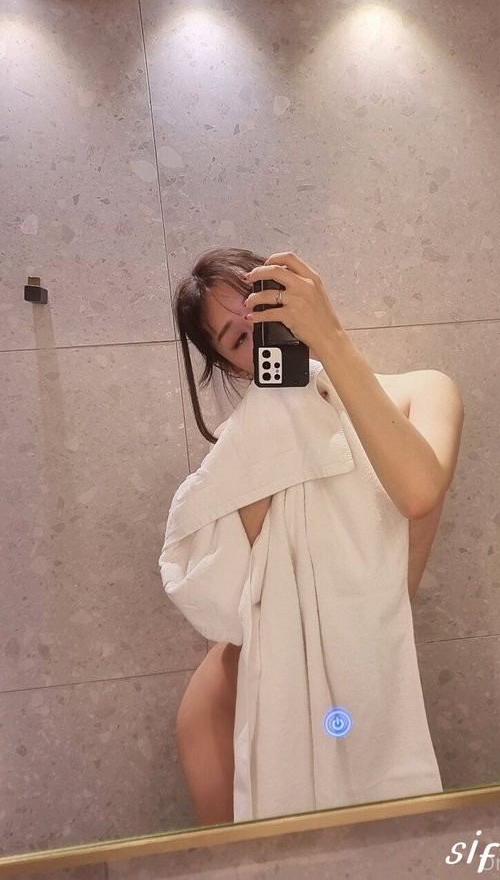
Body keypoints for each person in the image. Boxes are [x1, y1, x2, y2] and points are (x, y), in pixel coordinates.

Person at [166, 248, 464, 825]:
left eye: (264, 308)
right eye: (238, 339)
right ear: (235, 368)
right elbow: (216, 590)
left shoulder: (422, 391)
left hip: (365, 676)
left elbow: (418, 492)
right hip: (243, 690)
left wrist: (329, 338)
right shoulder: (243, 445)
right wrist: (275, 422)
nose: (260, 333)